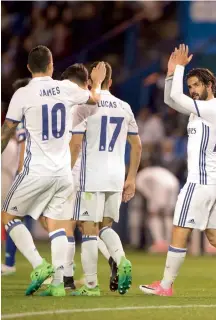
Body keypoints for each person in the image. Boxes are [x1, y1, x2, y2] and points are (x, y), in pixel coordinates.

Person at [139, 44, 216, 298]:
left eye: (196, 86)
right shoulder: (199, 111)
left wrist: (178, 68)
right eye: (190, 87)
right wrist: (171, 75)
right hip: (214, 181)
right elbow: (171, 99)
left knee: (179, 228)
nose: (192, 91)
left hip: (200, 182)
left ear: (210, 85)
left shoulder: (211, 108)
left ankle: (165, 286)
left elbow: (177, 99)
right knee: (215, 236)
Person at [1, 45, 106, 296]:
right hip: (62, 173)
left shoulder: (23, 94)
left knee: (7, 216)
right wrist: (99, 82)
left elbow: (7, 131)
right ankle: (58, 284)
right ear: (51, 66)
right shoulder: (67, 88)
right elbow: (93, 100)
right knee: (58, 226)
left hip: (35, 169)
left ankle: (39, 265)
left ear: (29, 68)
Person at [69, 61, 142, 296]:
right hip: (116, 177)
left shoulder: (85, 106)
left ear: (92, 81)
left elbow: (76, 144)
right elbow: (137, 145)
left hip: (91, 176)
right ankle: (120, 260)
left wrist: (65, 174)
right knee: (105, 227)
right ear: (111, 82)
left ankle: (90, 286)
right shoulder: (125, 107)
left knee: (89, 230)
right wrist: (131, 179)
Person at [57, 63, 115, 291]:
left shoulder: (78, 104)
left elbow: (75, 144)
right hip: (92, 174)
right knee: (84, 225)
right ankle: (112, 258)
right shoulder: (103, 104)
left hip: (73, 173)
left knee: (67, 225)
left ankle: (68, 278)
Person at [1, 78, 30, 276]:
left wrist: (21, 170)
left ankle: (12, 263)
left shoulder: (25, 115)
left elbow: (23, 143)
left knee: (11, 216)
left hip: (29, 172)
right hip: (55, 169)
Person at [135, 166, 180, 252]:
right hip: (174, 183)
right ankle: (169, 242)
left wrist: (152, 200)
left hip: (161, 186)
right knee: (168, 215)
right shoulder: (152, 171)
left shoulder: (139, 177)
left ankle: (159, 243)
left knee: (153, 215)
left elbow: (144, 191)